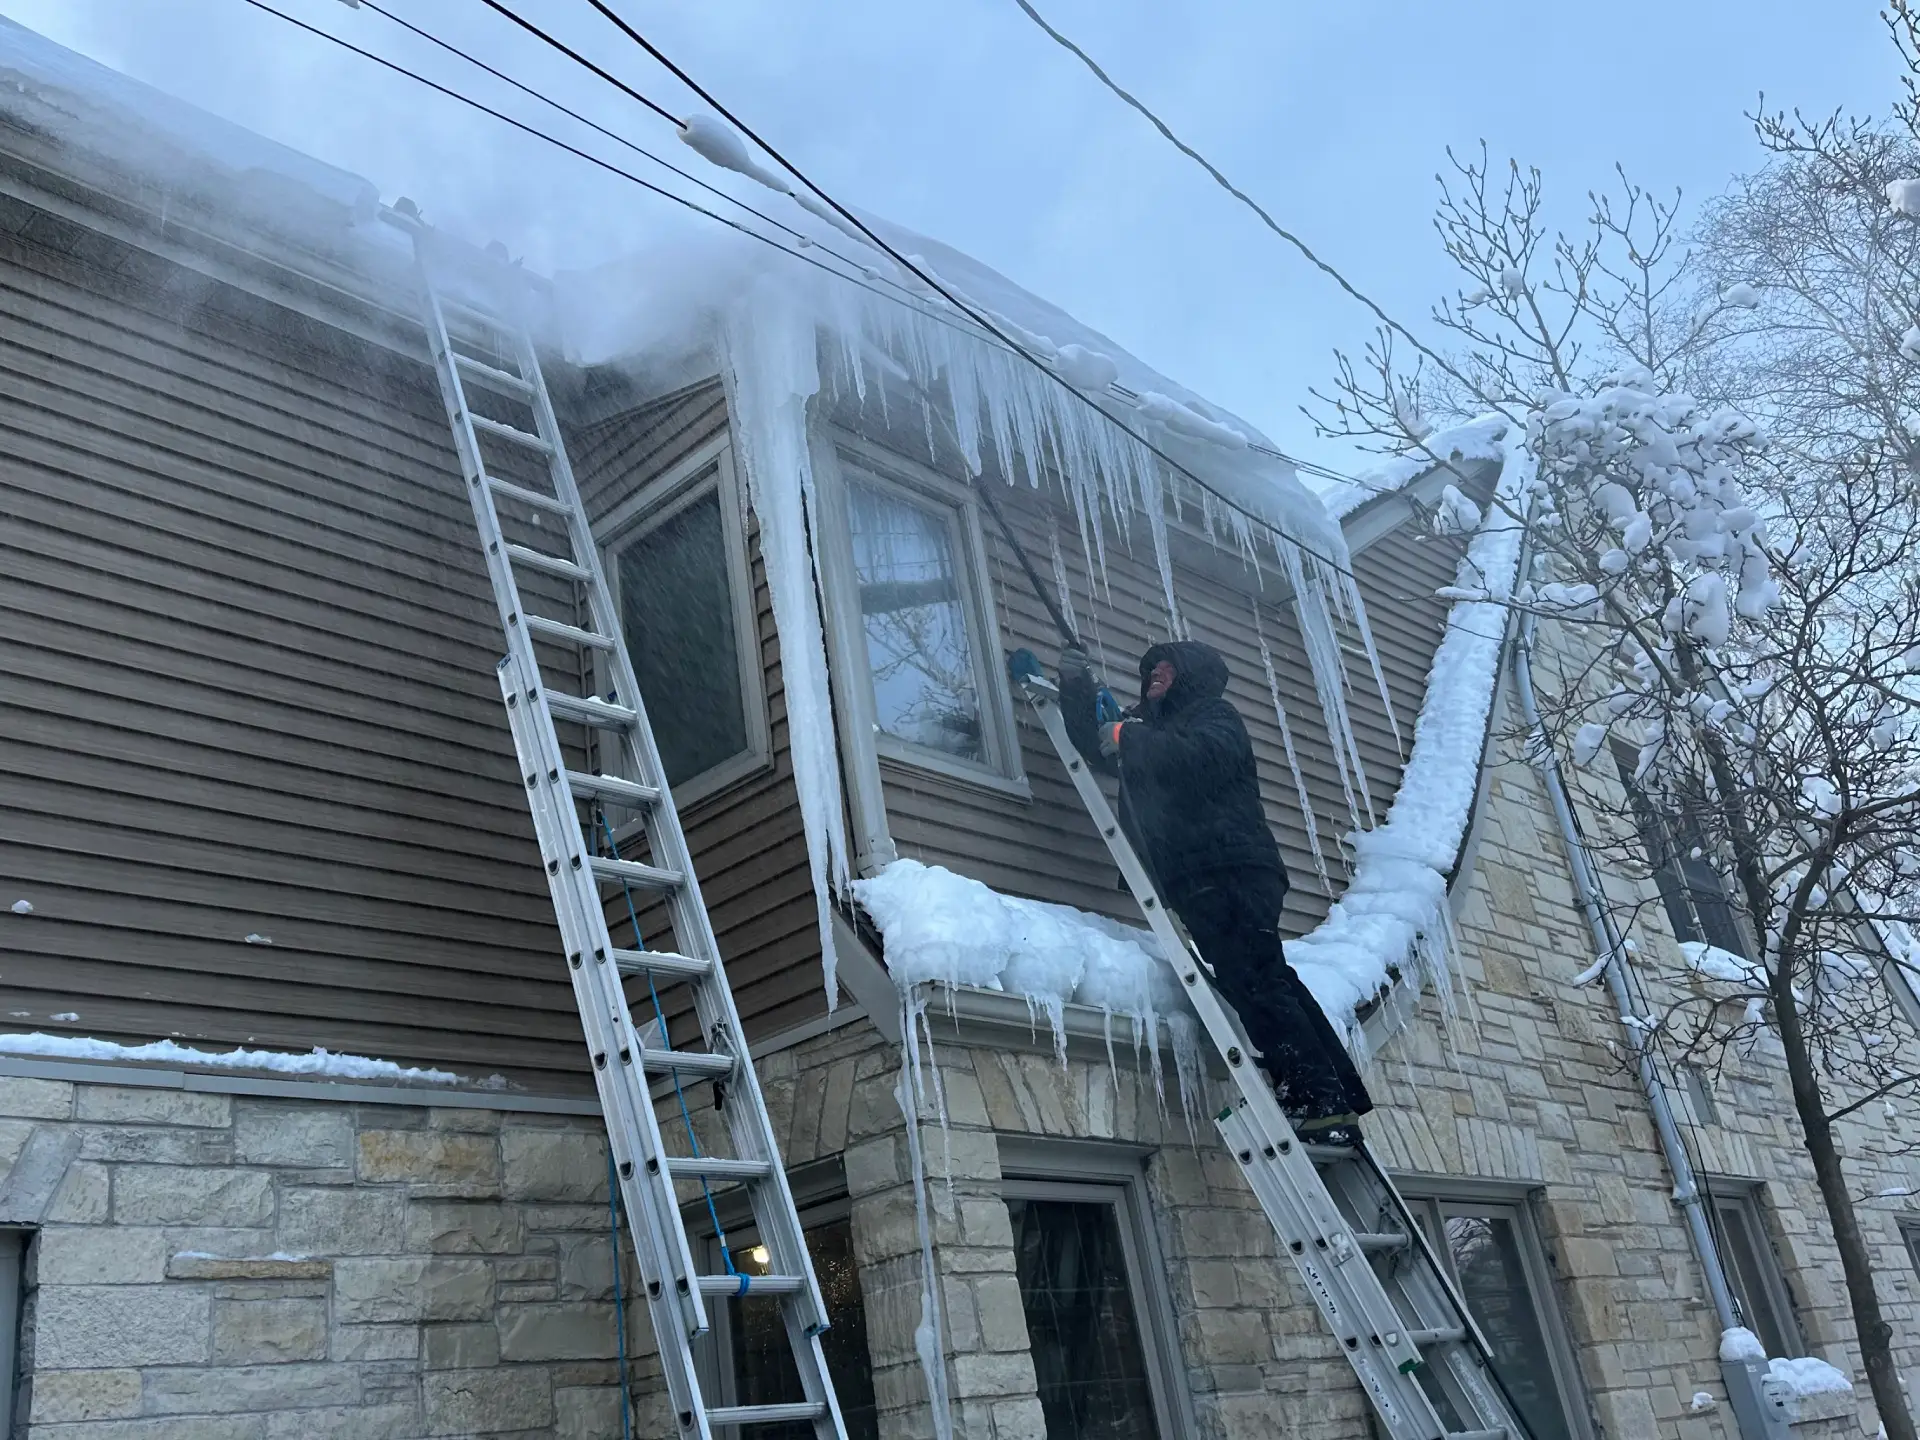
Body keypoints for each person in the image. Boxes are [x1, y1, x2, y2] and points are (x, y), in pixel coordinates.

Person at [1058, 640, 1372, 1144]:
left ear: (1193, 676)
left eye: (1166, 668)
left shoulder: (1213, 717)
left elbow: (1197, 758)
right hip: (1203, 874)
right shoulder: (1152, 732)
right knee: (1268, 978)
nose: (1154, 674)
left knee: (1256, 982)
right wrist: (1076, 688)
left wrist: (1130, 738)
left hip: (1232, 869)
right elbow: (1100, 748)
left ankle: (1316, 1099)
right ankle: (1336, 1093)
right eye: (1150, 670)